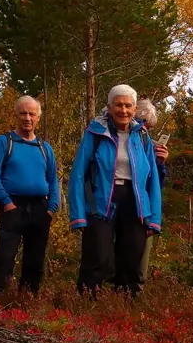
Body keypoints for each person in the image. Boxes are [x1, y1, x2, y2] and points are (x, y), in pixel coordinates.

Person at [67, 84, 162, 297]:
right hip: (100, 203)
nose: (123, 110)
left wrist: (154, 218)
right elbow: (78, 174)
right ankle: (87, 303)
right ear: (109, 107)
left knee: (131, 257)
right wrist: (78, 216)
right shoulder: (95, 133)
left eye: (128, 105)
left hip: (135, 204)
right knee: (98, 256)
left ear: (135, 109)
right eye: (118, 105)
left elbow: (152, 178)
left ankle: (124, 308)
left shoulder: (142, 136)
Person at [0, 96, 58, 295]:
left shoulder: (45, 148)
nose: (27, 118)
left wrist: (51, 208)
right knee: (5, 257)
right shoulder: (4, 142)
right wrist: (6, 203)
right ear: (16, 115)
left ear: (38, 117)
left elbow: (53, 181)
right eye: (23, 113)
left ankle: (28, 301)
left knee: (35, 260)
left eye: (32, 114)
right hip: (13, 205)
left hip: (40, 209)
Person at [135, 97, 169, 280]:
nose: (146, 133)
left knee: (140, 267)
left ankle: (132, 302)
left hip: (145, 211)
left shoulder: (149, 145)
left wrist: (160, 164)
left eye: (149, 129)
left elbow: (156, 185)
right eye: (144, 126)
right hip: (119, 210)